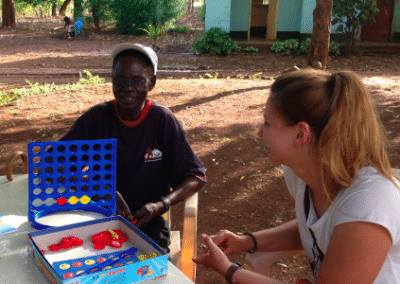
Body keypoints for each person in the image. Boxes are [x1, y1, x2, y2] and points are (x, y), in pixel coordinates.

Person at [193, 69, 400, 283]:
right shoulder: (303, 175)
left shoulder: (369, 205)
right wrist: (245, 242)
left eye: (267, 123)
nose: (259, 133)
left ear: (301, 134)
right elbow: (313, 227)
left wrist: (230, 271)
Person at [60, 43, 207, 251]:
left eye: (138, 80)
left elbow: (196, 176)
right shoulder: (96, 119)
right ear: (112, 80)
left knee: (145, 270)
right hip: (97, 218)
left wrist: (161, 205)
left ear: (152, 83)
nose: (128, 88)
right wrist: (98, 188)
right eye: (120, 79)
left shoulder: (162, 121)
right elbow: (52, 167)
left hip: (146, 223)